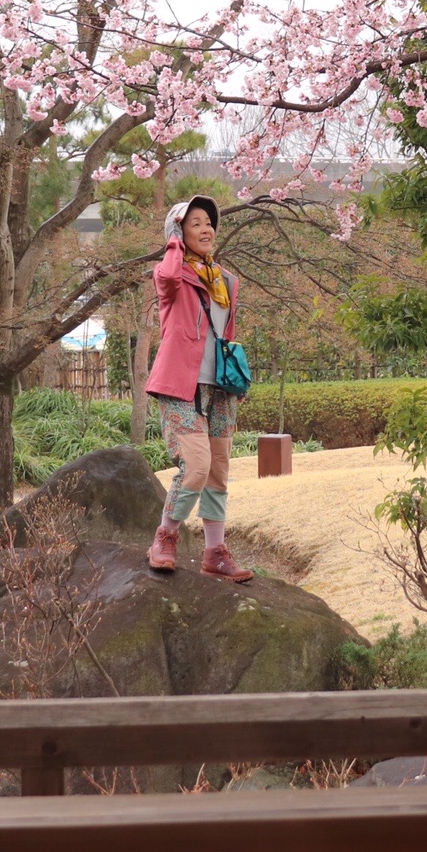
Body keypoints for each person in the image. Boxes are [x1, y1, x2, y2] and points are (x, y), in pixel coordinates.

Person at [144, 195, 254, 582]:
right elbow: (170, 274)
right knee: (196, 467)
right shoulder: (171, 276)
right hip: (180, 385)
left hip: (220, 388)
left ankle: (214, 552)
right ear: (178, 231)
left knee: (219, 470)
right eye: (195, 223)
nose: (206, 229)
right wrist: (173, 242)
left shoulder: (225, 281)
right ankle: (166, 536)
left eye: (209, 222)